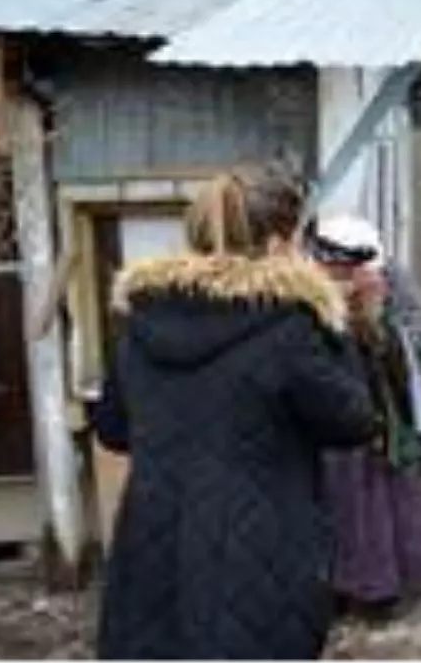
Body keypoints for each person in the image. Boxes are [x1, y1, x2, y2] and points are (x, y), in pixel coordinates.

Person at [89, 166, 379, 663]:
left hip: (155, 555)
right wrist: (341, 323)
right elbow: (353, 421)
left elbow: (113, 429)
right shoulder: (291, 325)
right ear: (275, 244)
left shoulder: (142, 319)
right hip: (262, 558)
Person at [306, 216, 421, 618]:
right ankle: (340, 587)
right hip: (336, 417)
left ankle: (377, 587)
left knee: (379, 498)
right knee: (341, 500)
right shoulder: (307, 299)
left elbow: (409, 345)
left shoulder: (389, 287)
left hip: (380, 413)